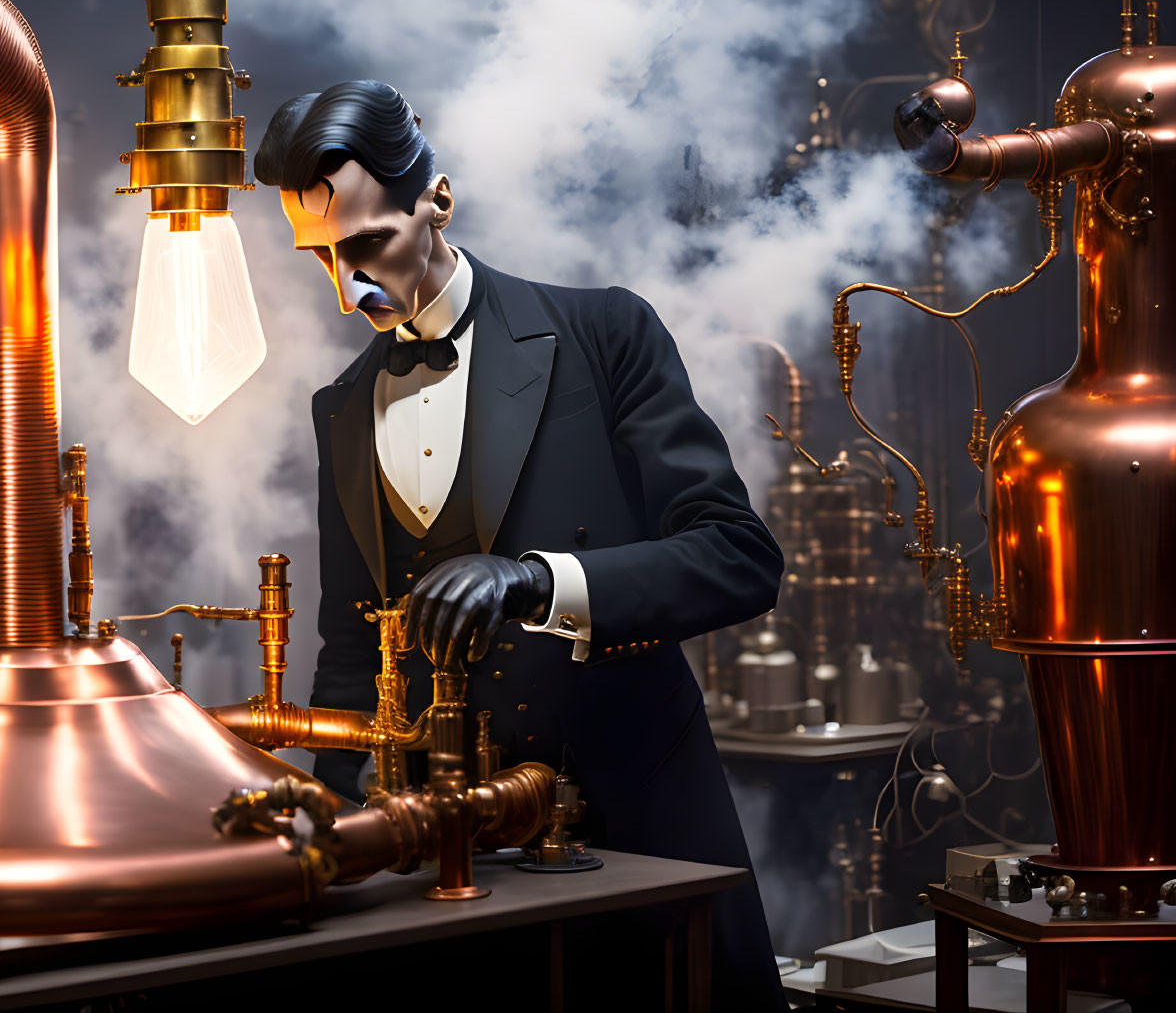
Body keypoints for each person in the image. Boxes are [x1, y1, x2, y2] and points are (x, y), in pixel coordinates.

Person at [254, 79, 787, 1009]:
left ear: (438, 201)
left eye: (368, 245)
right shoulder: (339, 408)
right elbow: (350, 650)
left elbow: (738, 557)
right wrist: (332, 842)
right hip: (450, 866)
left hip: (636, 832)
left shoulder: (605, 331)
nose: (349, 292)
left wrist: (539, 581)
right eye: (321, 259)